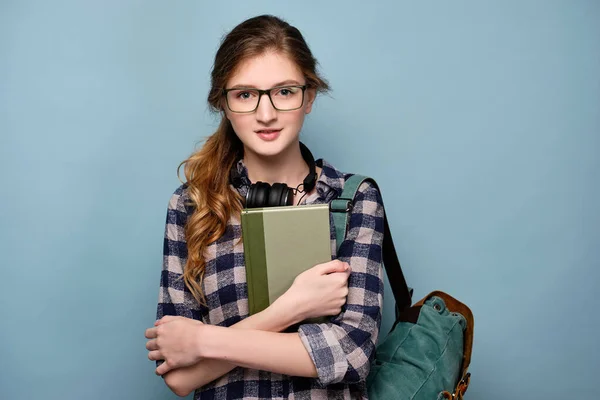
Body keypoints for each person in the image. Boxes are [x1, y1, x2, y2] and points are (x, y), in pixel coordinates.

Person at [144, 14, 385, 400]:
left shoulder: (354, 199)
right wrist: (291, 308)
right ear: (223, 104)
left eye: (284, 92)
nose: (266, 113)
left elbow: (352, 353)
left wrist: (203, 340)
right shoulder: (190, 205)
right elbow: (178, 376)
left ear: (308, 97)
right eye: (245, 94)